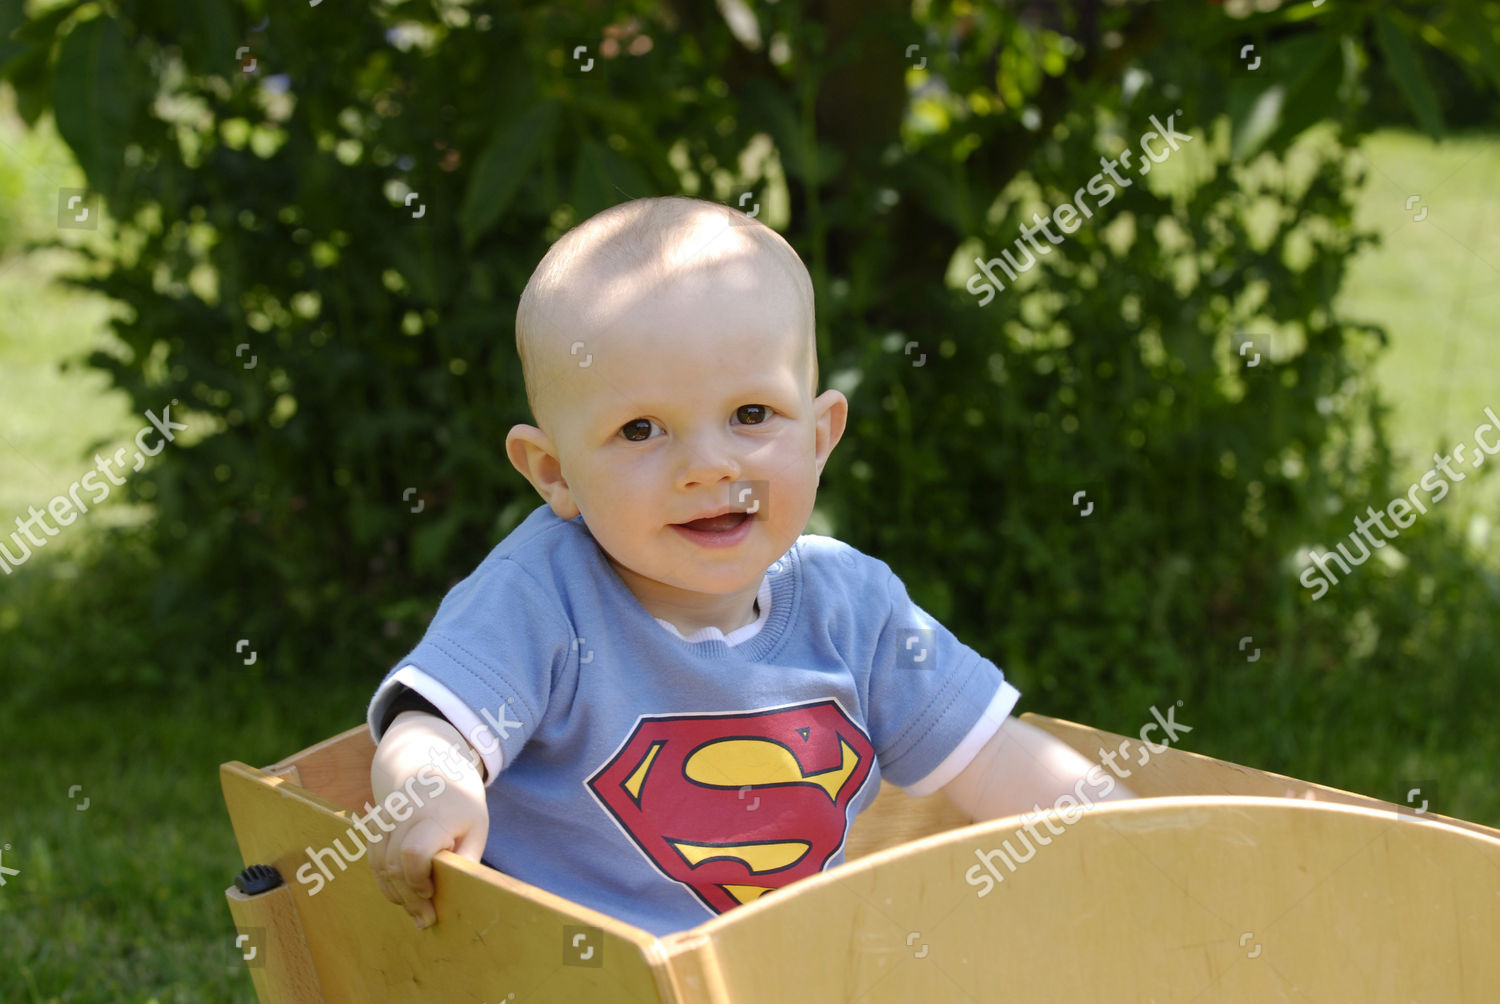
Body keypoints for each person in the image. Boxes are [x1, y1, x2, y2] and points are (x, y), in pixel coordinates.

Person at [364, 196, 1132, 936]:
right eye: (641, 430)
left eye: (751, 415)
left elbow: (994, 759)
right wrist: (432, 787)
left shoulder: (854, 609)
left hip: (787, 973)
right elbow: (433, 727)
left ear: (822, 435)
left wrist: (1119, 826)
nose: (707, 465)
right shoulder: (542, 596)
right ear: (554, 472)